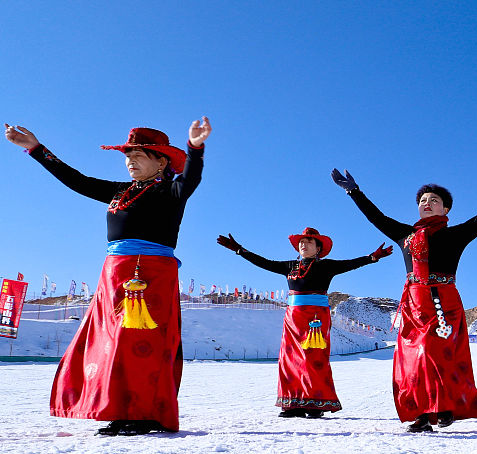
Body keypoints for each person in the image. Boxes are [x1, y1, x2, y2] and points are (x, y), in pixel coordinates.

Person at [5, 119, 211, 435]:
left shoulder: (171, 191)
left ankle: (145, 413)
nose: (130, 161)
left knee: (142, 341)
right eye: (127, 156)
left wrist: (195, 148)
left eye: (138, 155)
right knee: (112, 342)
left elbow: (191, 179)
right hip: (115, 275)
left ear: (161, 160)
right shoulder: (120, 191)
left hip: (149, 277)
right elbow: (77, 180)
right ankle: (120, 407)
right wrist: (35, 148)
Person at [331, 160, 477, 432]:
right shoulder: (406, 234)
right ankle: (424, 415)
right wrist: (354, 191)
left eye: (433, 200)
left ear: (445, 209)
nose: (426, 203)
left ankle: (443, 405)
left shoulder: (455, 235)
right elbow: (376, 216)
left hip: (443, 302)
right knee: (413, 359)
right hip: (413, 303)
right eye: (423, 200)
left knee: (434, 352)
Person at [216, 228, 392, 417]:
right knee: (289, 359)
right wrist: (239, 250)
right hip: (293, 318)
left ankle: (315, 403)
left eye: (309, 241)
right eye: (301, 241)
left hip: (315, 319)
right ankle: (293, 404)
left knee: (313, 359)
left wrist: (372, 257)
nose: (303, 244)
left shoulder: (327, 266)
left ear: (318, 248)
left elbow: (351, 264)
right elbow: (263, 263)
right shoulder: (290, 266)